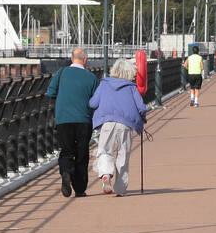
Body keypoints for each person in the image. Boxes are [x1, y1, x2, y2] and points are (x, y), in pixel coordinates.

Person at [88, 58, 147, 195]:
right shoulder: (131, 87)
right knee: (123, 154)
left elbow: (93, 103)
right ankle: (120, 188)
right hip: (126, 123)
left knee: (104, 150)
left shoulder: (104, 84)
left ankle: (106, 173)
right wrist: (142, 119)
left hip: (107, 122)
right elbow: (141, 107)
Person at [46, 47, 99, 197]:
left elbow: (50, 92)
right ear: (85, 60)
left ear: (72, 58)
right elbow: (96, 101)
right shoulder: (91, 78)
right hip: (83, 120)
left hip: (64, 119)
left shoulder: (61, 73)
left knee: (67, 151)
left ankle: (66, 173)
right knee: (82, 154)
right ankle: (80, 189)